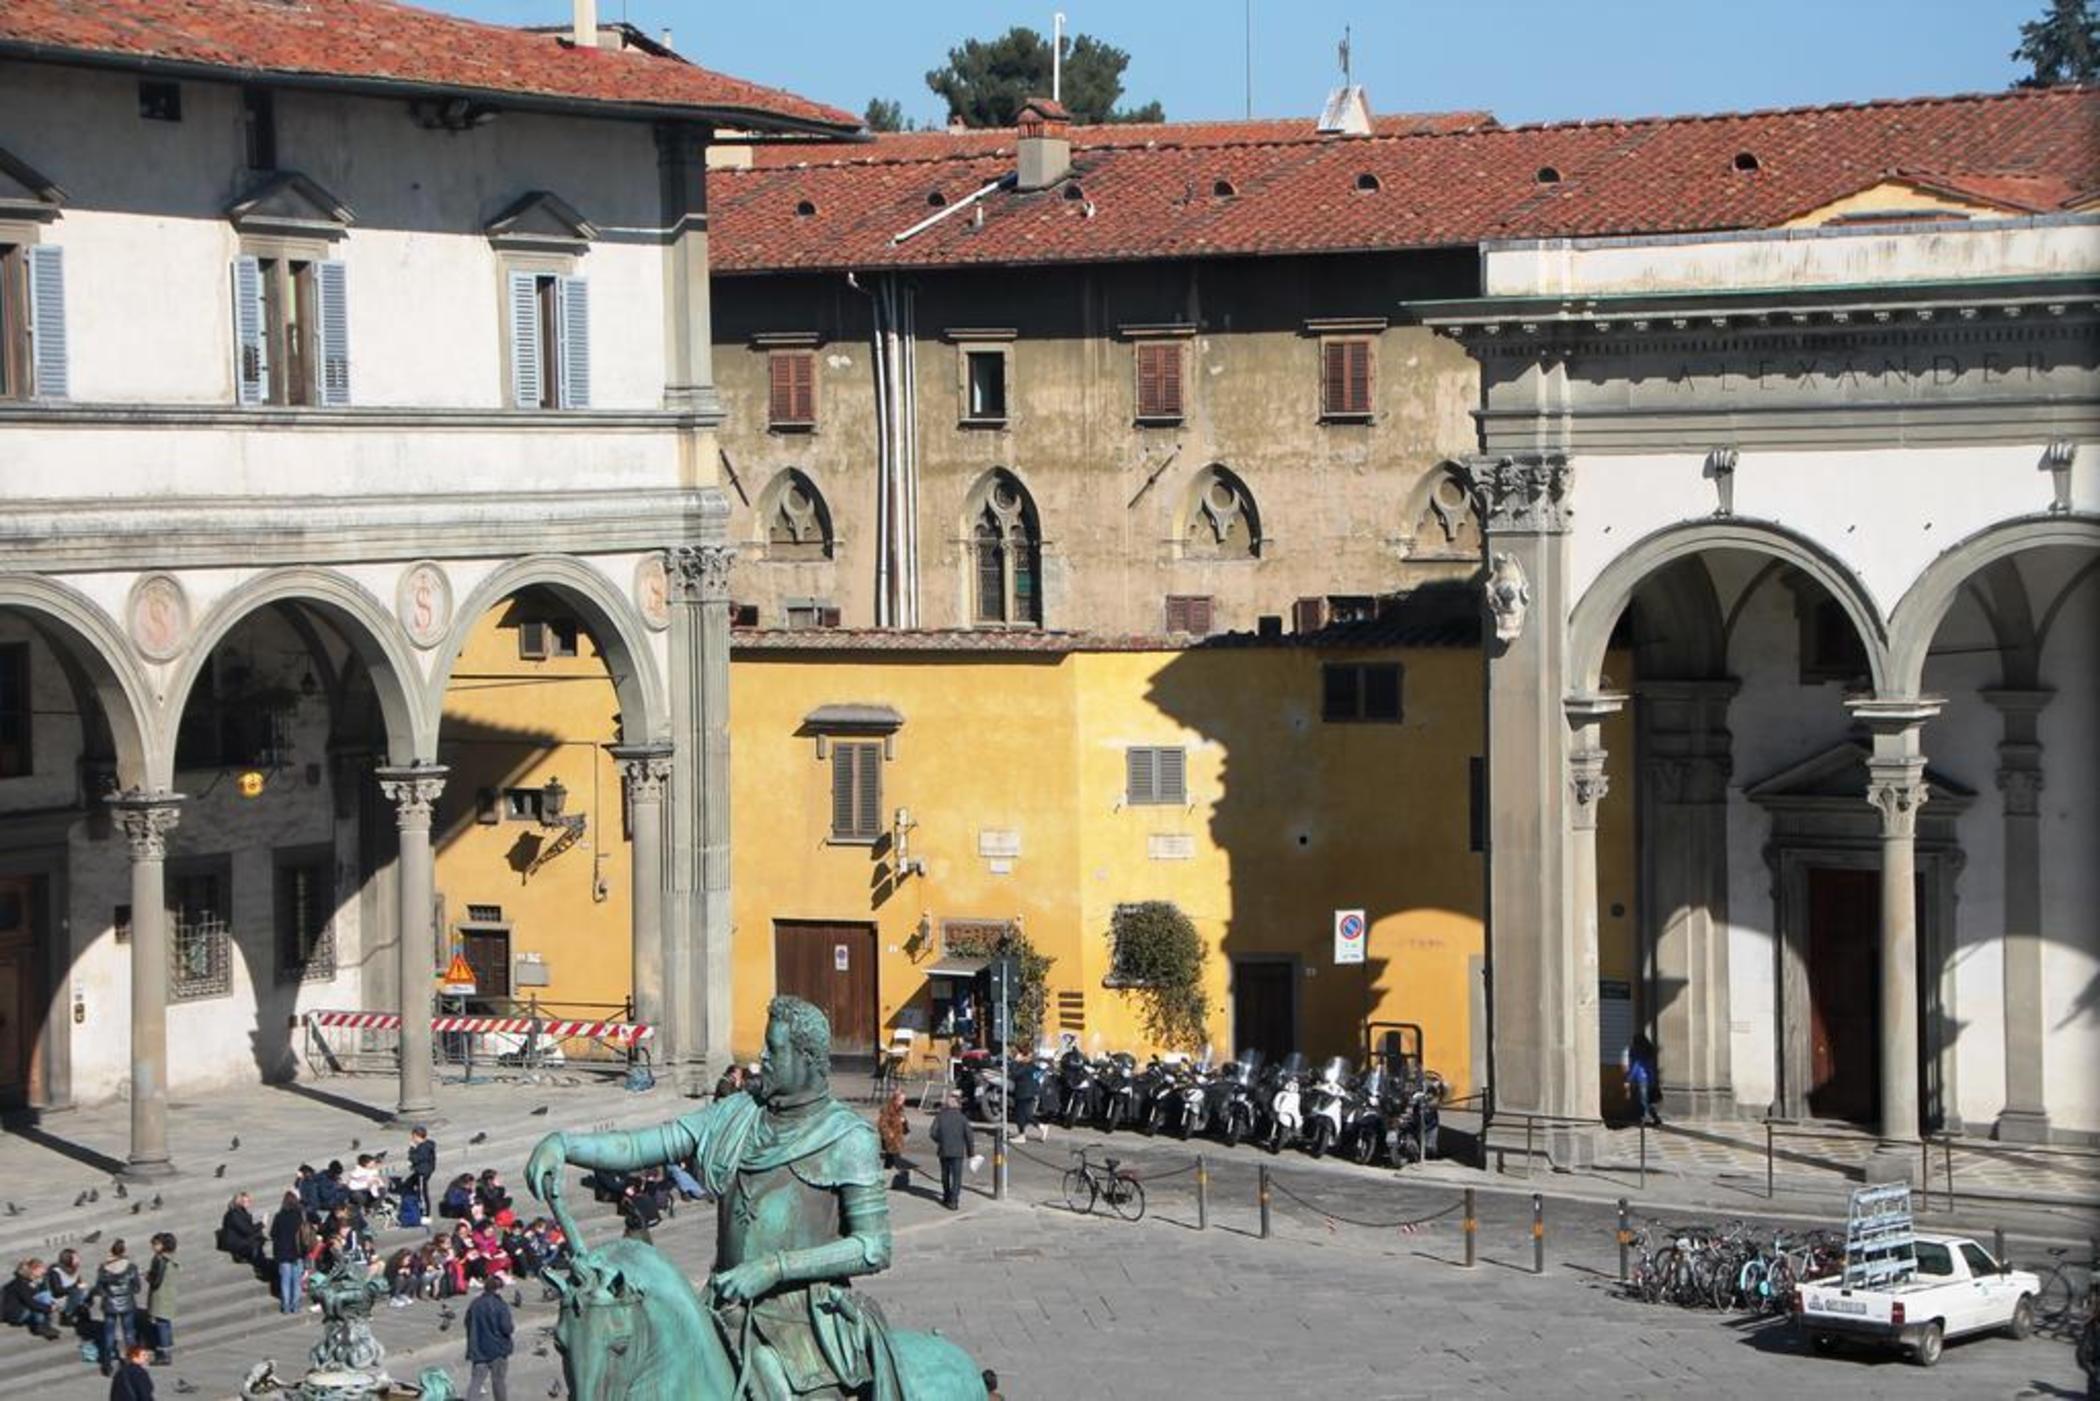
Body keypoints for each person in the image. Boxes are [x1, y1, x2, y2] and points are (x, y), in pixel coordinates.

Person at [525, 996, 913, 1398]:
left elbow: (873, 1248)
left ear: (808, 1057)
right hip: (725, 1303)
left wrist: (774, 1268)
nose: (763, 1056)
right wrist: (565, 1145)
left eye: (774, 1048)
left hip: (804, 1321)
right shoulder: (736, 1114)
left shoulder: (848, 1137)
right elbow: (645, 1144)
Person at [89, 1239, 141, 1377]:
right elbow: (137, 1288)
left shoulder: (104, 1268)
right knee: (129, 1333)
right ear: (124, 1251)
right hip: (127, 1303)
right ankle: (133, 1362)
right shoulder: (131, 1267)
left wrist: (108, 1294)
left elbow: (99, 1289)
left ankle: (108, 1365)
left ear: (111, 1251)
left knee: (109, 1335)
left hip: (110, 1304)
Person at [463, 1272, 513, 1401]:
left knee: (476, 1382)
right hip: (498, 1348)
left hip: (478, 1348)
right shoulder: (501, 1306)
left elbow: (467, 1322)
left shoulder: (475, 1303)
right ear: (498, 1289)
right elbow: (507, 1328)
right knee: (498, 1382)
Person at [930, 1090, 974, 1211]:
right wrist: (971, 1153)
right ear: (958, 1105)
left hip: (943, 1150)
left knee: (945, 1175)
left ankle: (946, 1195)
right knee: (957, 1177)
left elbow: (932, 1133)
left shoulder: (940, 1117)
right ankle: (954, 1201)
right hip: (957, 1151)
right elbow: (969, 1137)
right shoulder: (962, 1118)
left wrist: (941, 1140)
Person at [269, 1191, 308, 1315]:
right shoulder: (300, 1217)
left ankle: (285, 1307)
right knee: (296, 1281)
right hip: (297, 1253)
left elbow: (272, 1234)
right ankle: (295, 1306)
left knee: (285, 1281)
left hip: (283, 1253)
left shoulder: (279, 1216)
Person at [2, 1257, 61, 1339]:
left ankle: (44, 1326)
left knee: (44, 1296)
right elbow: (31, 1303)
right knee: (43, 1298)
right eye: (41, 1268)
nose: (43, 1271)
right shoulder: (21, 1284)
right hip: (16, 1315)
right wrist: (50, 1308)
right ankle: (39, 1326)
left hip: (15, 1312)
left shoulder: (23, 1281)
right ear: (33, 1270)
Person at [144, 1234, 178, 1365]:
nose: (153, 1246)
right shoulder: (170, 1258)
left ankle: (164, 1354)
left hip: (161, 1296)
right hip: (168, 1295)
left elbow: (156, 1281)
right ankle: (168, 1347)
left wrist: (148, 1277)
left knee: (161, 1323)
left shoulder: (160, 1260)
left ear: (163, 1245)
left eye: (155, 1244)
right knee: (166, 1322)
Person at [218, 1192, 266, 1273]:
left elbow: (249, 1220)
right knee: (257, 1240)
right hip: (237, 1243)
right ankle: (258, 1262)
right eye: (245, 1201)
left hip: (240, 1239)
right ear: (239, 1202)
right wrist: (262, 1224)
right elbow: (247, 1230)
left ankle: (259, 1260)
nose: (248, 1203)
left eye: (249, 1201)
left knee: (259, 1237)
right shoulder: (233, 1214)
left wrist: (258, 1218)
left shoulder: (240, 1211)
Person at [1623, 1032, 1662, 1128]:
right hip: (1650, 1077)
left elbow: (1635, 1066)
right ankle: (1653, 1117)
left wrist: (1628, 1079)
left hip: (1640, 1078)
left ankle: (1644, 1118)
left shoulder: (1635, 1050)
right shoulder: (1649, 1049)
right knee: (1646, 1100)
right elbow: (1651, 1065)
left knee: (1643, 1100)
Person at [877, 1088, 910, 1190]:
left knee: (891, 1159)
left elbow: (903, 1124)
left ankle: (887, 1179)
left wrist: (904, 1122)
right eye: (901, 1100)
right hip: (890, 1139)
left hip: (897, 1138)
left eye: (903, 1100)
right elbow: (882, 1124)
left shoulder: (900, 1109)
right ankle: (890, 1180)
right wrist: (889, 1134)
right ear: (895, 1098)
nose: (902, 1102)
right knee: (893, 1159)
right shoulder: (888, 1109)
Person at [46, 1247, 86, 1325]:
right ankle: (67, 1315)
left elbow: (78, 1283)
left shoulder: (74, 1269)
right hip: (58, 1298)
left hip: (70, 1295)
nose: (78, 1259)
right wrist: (75, 1288)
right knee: (78, 1293)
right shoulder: (56, 1272)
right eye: (76, 1258)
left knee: (86, 1292)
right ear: (68, 1259)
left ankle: (79, 1311)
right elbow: (57, 1290)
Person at [1012, 1051, 1044, 1143]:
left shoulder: (1024, 1067)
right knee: (1021, 1115)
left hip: (1024, 1093)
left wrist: (1015, 1062)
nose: (1021, 1057)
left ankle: (1041, 1127)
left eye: (1023, 1056)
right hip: (1029, 1093)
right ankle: (1022, 1135)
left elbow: (1014, 1074)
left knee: (1025, 1115)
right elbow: (1039, 1075)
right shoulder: (1033, 1067)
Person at [407, 1125, 438, 1214]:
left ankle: (426, 1213)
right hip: (425, 1169)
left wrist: (412, 1149)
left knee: (422, 1193)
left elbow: (415, 1158)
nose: (412, 1139)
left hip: (422, 1172)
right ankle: (412, 1200)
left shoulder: (423, 1148)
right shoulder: (427, 1145)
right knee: (410, 1183)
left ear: (417, 1136)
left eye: (413, 1137)